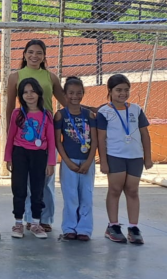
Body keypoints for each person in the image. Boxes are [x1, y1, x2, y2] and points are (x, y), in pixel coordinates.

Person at [5, 40, 67, 233]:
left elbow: (65, 101)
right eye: (30, 52)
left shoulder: (51, 77)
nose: (34, 56)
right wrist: (10, 132)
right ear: (24, 54)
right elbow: (9, 105)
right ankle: (26, 219)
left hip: (45, 132)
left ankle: (44, 217)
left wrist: (86, 110)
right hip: (24, 136)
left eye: (39, 53)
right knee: (23, 182)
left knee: (45, 180)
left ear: (44, 56)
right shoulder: (15, 76)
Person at [97, 74, 152, 245]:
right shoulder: (104, 111)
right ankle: (113, 225)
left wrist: (148, 157)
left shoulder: (136, 109)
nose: (123, 93)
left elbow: (145, 134)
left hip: (135, 156)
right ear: (110, 91)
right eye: (118, 90)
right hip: (115, 156)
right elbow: (101, 138)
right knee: (115, 190)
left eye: (126, 90)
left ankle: (133, 227)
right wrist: (104, 161)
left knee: (133, 191)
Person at [5, 78, 56, 239]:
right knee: (19, 189)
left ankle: (35, 223)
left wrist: (51, 162)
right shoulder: (17, 114)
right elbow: (10, 136)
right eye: (25, 92)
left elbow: (52, 140)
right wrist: (8, 158)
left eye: (32, 91)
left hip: (39, 155)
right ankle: (18, 223)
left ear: (39, 93)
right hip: (19, 153)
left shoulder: (46, 115)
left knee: (37, 189)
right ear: (21, 95)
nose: (29, 95)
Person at [53, 76, 97, 241]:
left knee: (86, 195)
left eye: (79, 93)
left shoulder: (89, 115)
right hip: (68, 162)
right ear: (65, 94)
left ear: (83, 94)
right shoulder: (60, 115)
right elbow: (58, 141)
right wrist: (67, 162)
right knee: (70, 196)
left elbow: (95, 141)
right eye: (71, 93)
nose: (75, 96)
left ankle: (84, 229)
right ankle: (69, 228)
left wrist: (88, 161)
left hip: (87, 162)